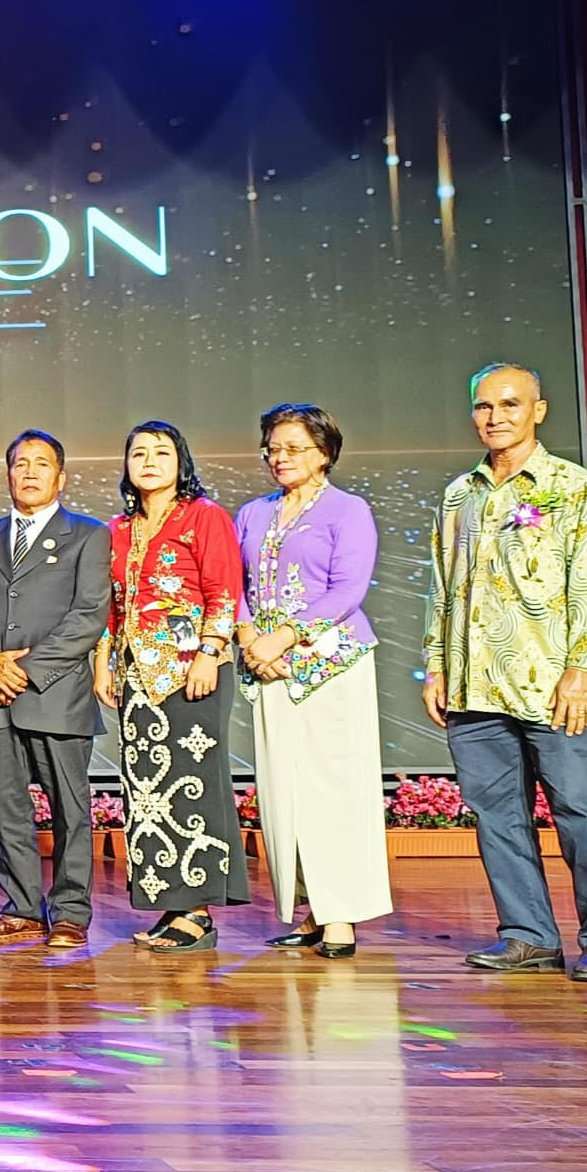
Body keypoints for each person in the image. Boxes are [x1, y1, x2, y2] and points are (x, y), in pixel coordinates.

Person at [422, 364, 587, 983]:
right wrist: (436, 666)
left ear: (537, 411)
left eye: (510, 404)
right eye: (484, 406)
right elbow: (443, 588)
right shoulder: (459, 494)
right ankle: (528, 934)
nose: (496, 417)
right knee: (497, 817)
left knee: (584, 816)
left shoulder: (573, 488)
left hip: (554, 685)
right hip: (475, 686)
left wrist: (583, 669)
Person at [235, 403, 392, 959]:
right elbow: (235, 585)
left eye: (294, 448)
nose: (280, 457)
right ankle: (309, 909)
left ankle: (340, 913)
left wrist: (284, 637)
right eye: (273, 448)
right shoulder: (253, 513)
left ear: (324, 453)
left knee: (333, 791)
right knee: (285, 792)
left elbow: (348, 589)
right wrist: (251, 640)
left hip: (331, 665)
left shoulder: (348, 510)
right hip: (267, 667)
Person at [95, 419, 250, 952]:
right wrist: (103, 664)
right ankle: (173, 902)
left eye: (161, 452)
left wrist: (208, 652)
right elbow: (112, 605)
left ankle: (198, 911)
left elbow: (223, 589)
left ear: (181, 462)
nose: (149, 462)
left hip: (192, 671)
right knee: (148, 791)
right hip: (136, 673)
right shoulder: (118, 529)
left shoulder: (204, 516)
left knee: (193, 782)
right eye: (139, 453)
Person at [0, 431, 111, 950]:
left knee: (70, 809)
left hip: (57, 695)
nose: (29, 472)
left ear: (60, 477)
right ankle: (22, 909)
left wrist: (24, 670)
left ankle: (70, 912)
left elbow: (89, 616)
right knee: (8, 810)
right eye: (20, 463)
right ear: (8, 475)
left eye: (41, 464)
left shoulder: (88, 534)